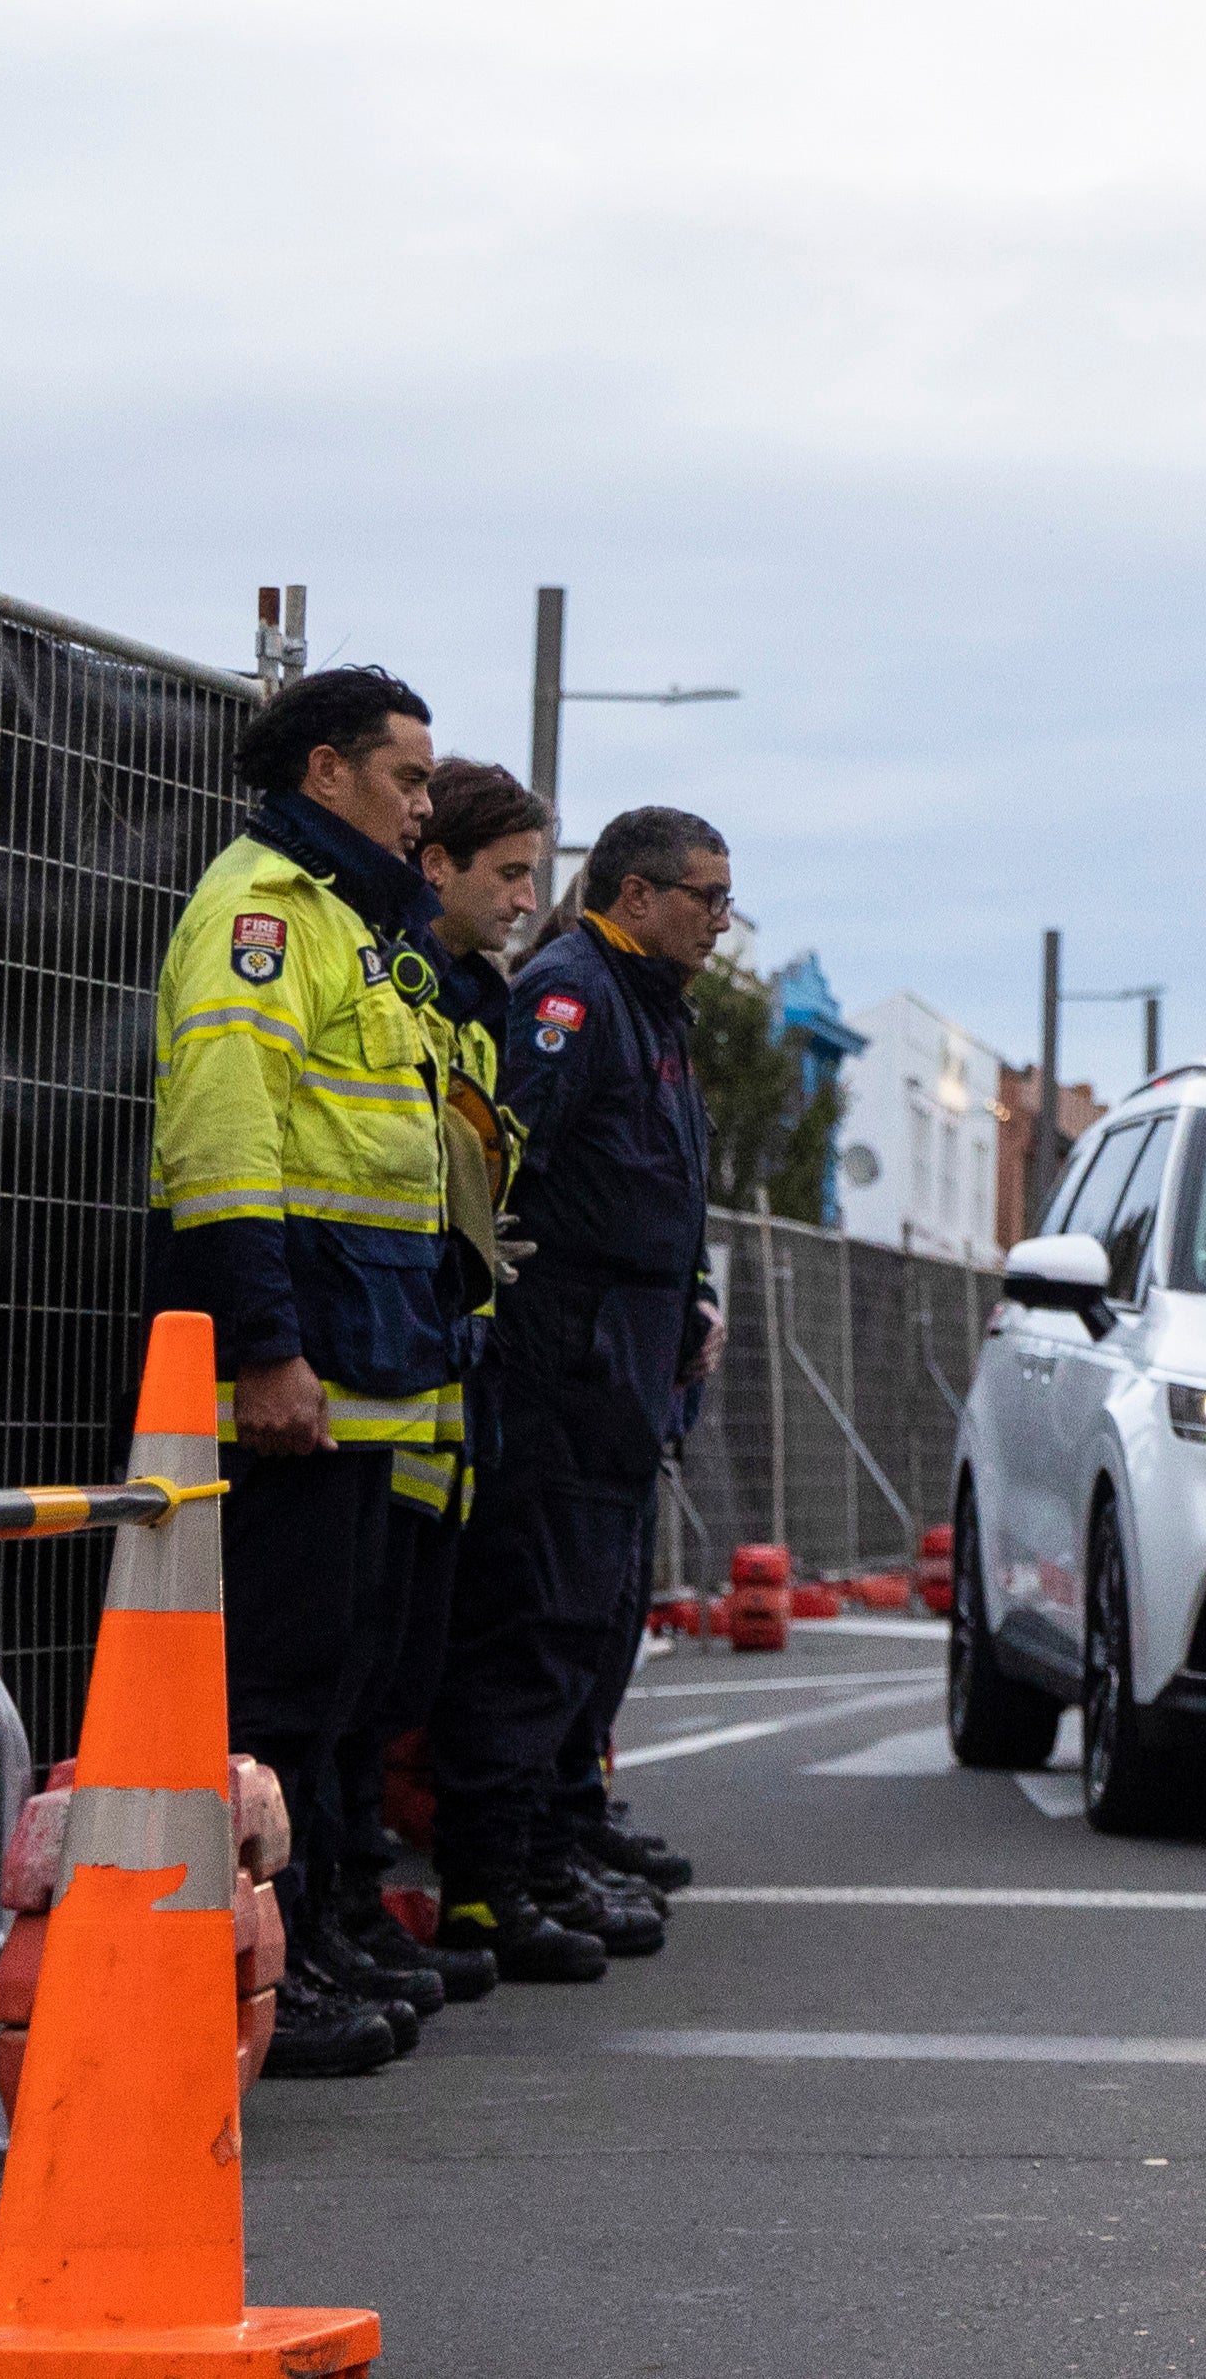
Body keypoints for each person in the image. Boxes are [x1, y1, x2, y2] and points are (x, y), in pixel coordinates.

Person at [150, 664, 458, 2082]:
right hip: (299, 1375)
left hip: (362, 1366)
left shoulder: (348, 918)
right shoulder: (265, 915)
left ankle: (311, 1939)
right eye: (406, 778)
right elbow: (226, 1141)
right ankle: (250, 1975)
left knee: (333, 1675)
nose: (423, 807)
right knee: (275, 1685)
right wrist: (268, 1351)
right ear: (327, 772)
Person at [430, 805, 730, 1980]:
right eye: (702, 896)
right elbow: (510, 1170)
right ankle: (490, 1882)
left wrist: (683, 1302)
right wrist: (563, 1330)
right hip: (567, 1355)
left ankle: (550, 1846)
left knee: (591, 1618)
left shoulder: (648, 1005)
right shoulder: (571, 995)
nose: (717, 918)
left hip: (624, 1352)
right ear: (638, 895)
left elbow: (661, 1185)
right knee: (536, 1614)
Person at [323, 760, 556, 2018]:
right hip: (369, 1370)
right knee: (339, 1674)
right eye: (509, 872)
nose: (527, 898)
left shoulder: (468, 1001)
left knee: (393, 1670)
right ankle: (329, 1911)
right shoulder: (403, 982)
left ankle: (351, 1908)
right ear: (440, 867)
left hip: (432, 1384)